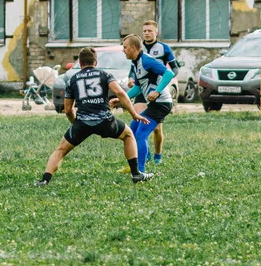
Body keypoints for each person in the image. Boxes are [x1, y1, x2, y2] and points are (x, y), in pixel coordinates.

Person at [36, 47, 154, 186]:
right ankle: (136, 174)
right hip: (105, 121)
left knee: (60, 150)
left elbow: (68, 109)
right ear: (96, 62)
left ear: (80, 63)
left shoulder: (72, 79)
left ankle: (45, 180)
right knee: (128, 135)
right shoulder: (104, 74)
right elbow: (120, 93)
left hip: (82, 122)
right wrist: (134, 114)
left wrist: (75, 123)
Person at [121, 20, 179, 169]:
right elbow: (139, 88)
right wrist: (122, 97)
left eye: (125, 48)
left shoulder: (147, 60)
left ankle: (140, 169)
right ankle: (133, 165)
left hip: (161, 103)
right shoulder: (136, 62)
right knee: (132, 131)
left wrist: (157, 91)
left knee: (141, 134)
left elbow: (169, 72)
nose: (123, 50)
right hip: (154, 103)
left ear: (133, 48)